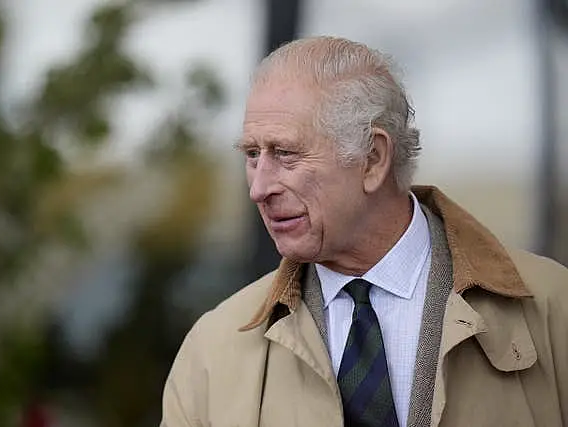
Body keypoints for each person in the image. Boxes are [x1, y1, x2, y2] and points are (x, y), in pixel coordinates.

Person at [161, 36, 568, 427]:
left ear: (373, 158)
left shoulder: (553, 307)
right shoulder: (214, 349)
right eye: (253, 155)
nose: (258, 188)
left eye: (284, 153)